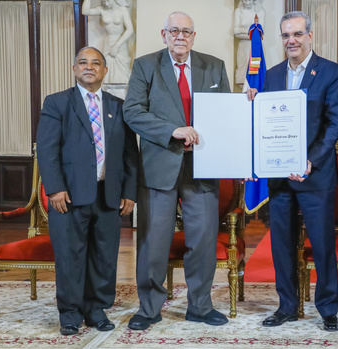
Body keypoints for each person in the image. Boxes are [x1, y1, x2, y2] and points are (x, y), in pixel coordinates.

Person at [123, 11, 231, 331]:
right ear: (164, 34)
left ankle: (200, 306)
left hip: (203, 166)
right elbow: (132, 112)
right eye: (174, 31)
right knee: (154, 241)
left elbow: (225, 115)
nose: (180, 36)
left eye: (186, 31)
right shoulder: (146, 66)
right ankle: (150, 308)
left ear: (193, 36)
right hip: (160, 166)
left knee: (203, 240)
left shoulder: (214, 66)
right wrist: (173, 130)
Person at [247, 10, 338, 332]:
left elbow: (334, 125)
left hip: (314, 176)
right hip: (279, 179)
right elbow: (263, 125)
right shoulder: (272, 75)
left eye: (297, 34)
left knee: (321, 244)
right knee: (281, 244)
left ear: (309, 36)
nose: (292, 40)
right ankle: (287, 306)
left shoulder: (331, 72)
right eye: (286, 35)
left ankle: (328, 308)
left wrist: (310, 161)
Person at [36, 46, 138, 335]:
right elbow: (47, 149)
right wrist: (54, 188)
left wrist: (129, 192)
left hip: (109, 196)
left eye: (96, 63)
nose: (89, 67)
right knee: (70, 256)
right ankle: (69, 313)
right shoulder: (57, 103)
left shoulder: (118, 106)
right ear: (74, 69)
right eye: (83, 62)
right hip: (68, 197)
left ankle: (96, 309)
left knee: (104, 256)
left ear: (105, 71)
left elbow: (131, 154)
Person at [82, 0, 134, 84]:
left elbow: (130, 30)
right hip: (108, 43)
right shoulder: (102, 9)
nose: (106, 3)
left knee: (123, 72)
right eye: (104, 1)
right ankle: (107, 92)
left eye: (108, 1)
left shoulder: (122, 10)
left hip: (120, 43)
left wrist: (117, 46)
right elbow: (85, 11)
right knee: (107, 70)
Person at [233, 0, 265, 85]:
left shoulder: (260, 12)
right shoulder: (238, 11)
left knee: (254, 73)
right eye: (244, 0)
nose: (247, 2)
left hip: (255, 47)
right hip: (243, 46)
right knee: (242, 72)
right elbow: (236, 32)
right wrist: (252, 32)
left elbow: (260, 33)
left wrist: (244, 31)